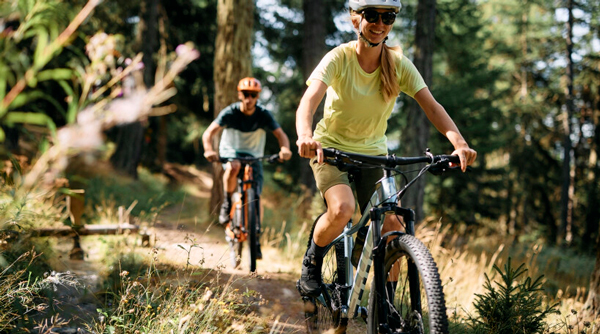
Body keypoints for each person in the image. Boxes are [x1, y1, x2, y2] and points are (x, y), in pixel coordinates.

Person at [295, 0, 477, 297]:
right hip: (329, 150)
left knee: (392, 226)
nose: (380, 23)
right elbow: (309, 101)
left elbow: (431, 106)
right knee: (342, 209)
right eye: (372, 16)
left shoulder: (399, 65)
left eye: (388, 16)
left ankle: (387, 308)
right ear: (356, 20)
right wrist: (305, 136)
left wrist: (460, 143)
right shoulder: (339, 58)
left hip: (373, 154)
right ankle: (312, 261)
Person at [202, 77, 293, 257]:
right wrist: (208, 150)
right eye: (245, 94)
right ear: (239, 94)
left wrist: (285, 149)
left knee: (256, 196)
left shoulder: (263, 114)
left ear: (258, 96)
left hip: (254, 155)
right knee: (233, 167)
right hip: (232, 152)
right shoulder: (230, 112)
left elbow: (280, 135)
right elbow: (209, 133)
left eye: (253, 95)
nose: (249, 99)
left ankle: (255, 236)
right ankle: (227, 203)